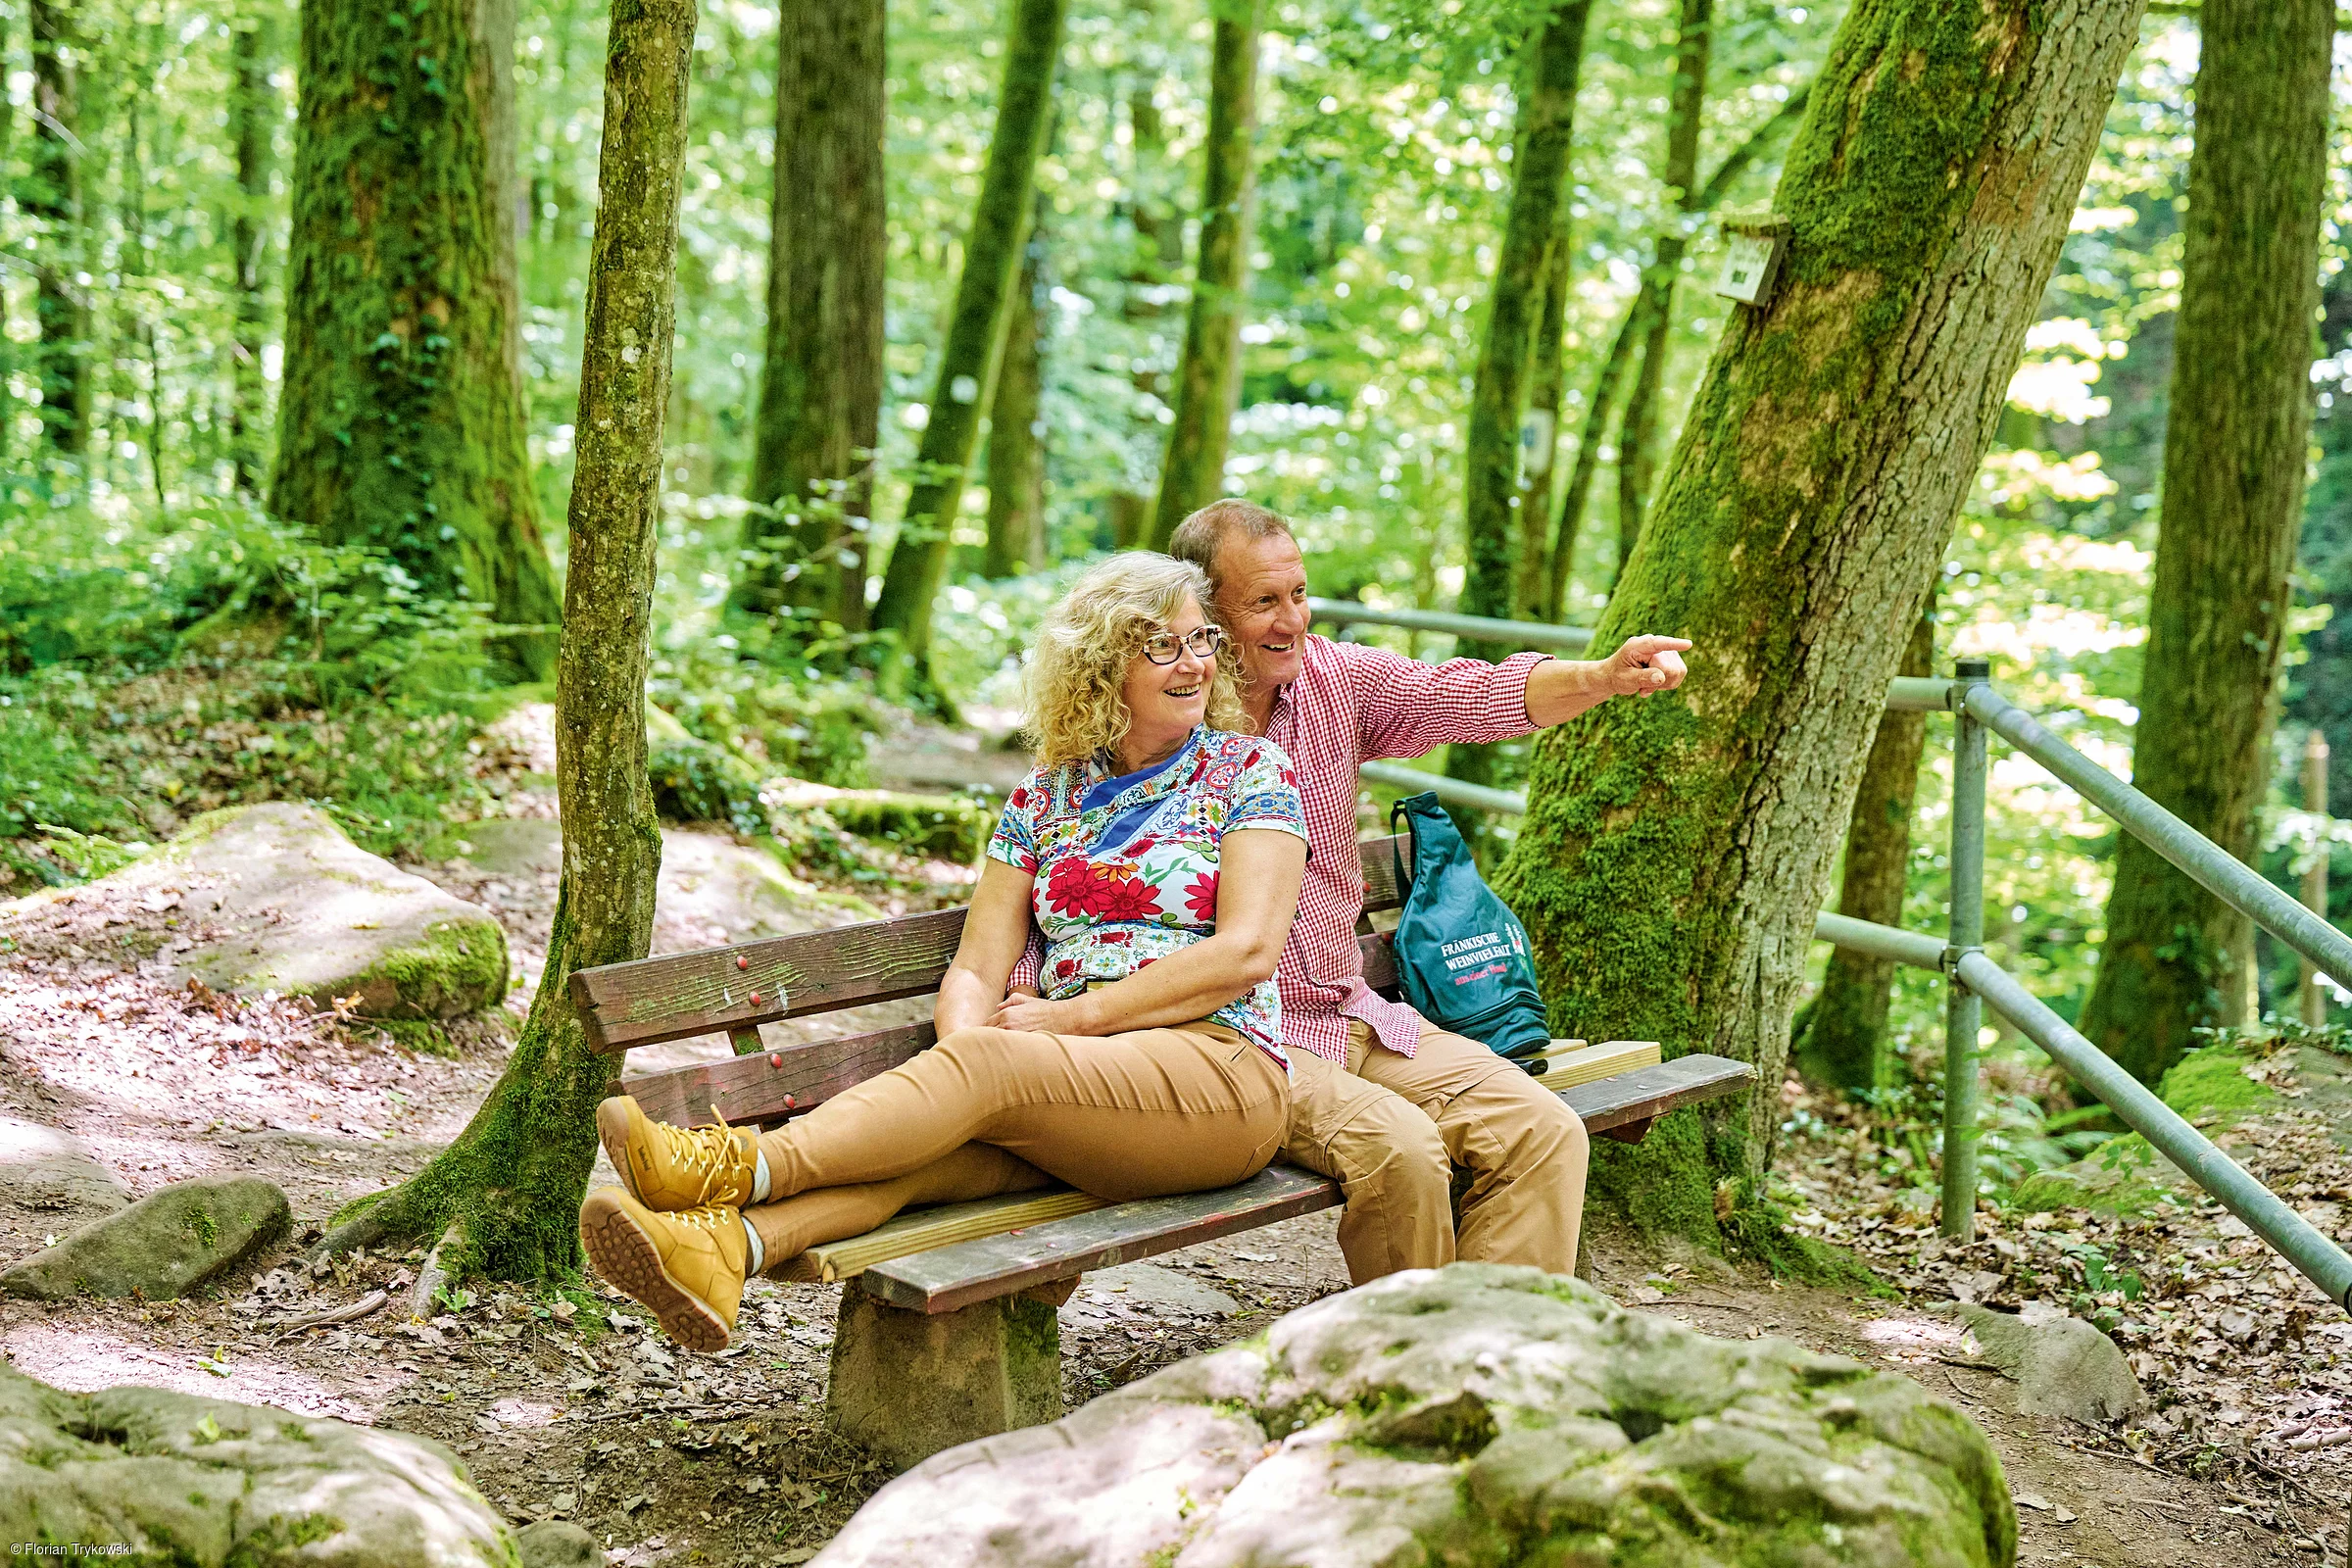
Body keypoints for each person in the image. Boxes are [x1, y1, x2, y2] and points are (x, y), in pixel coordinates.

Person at [579, 553, 1310, 1350]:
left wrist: (1052, 1033)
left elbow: (1246, 951)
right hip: (1075, 1086)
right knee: (927, 1157)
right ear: (1104, 666)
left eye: (1201, 639)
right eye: (1162, 645)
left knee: (986, 1073)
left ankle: (729, 1162)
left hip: (1218, 1074)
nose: (1195, 662)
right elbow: (975, 967)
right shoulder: (1045, 796)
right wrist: (969, 1068)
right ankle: (725, 1250)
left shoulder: (1250, 771)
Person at [1161, 499, 1690, 1284]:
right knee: (1405, 1153)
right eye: (1264, 602)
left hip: (1349, 1012)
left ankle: (1487, 1347)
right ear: (1202, 614)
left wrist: (1602, 677)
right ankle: (1409, 1351)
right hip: (1242, 1039)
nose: (1292, 620)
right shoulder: (1158, 717)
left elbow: (1472, 695)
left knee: (1543, 1130)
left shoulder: (1334, 680)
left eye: (1299, 594)